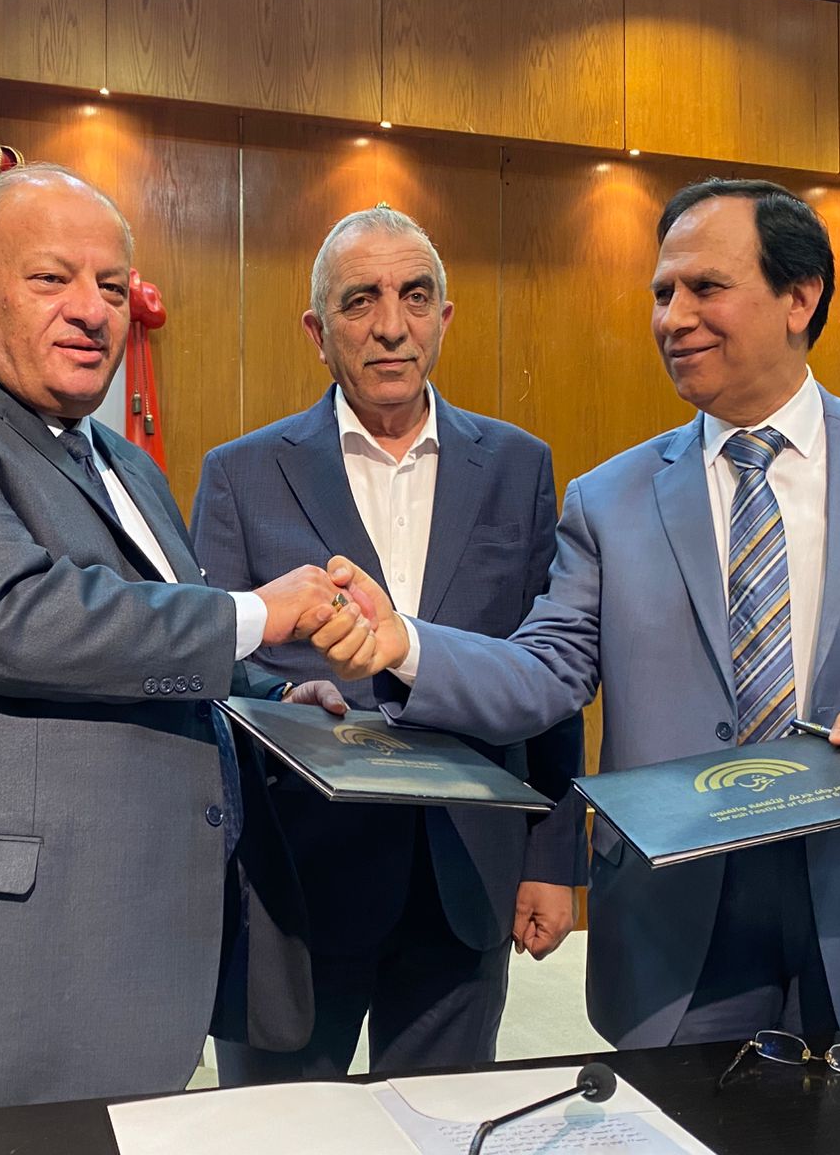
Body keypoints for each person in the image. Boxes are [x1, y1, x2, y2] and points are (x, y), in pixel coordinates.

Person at [311, 178, 840, 1047]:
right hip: (677, 921)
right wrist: (406, 646)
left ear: (799, 299)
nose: (673, 317)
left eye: (705, 287)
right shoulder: (608, 498)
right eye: (663, 293)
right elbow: (545, 670)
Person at [0, 163, 346, 1119]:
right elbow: (19, 618)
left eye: (113, 287)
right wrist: (259, 613)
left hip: (115, 970)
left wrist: (270, 695)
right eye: (52, 278)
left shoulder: (123, 462)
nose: (92, 311)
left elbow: (153, 638)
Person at [192, 206, 584, 1082]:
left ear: (444, 316)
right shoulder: (241, 472)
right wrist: (281, 694)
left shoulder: (518, 465)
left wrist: (552, 859)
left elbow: (548, 674)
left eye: (415, 295)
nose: (391, 325)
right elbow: (209, 659)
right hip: (296, 881)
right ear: (317, 332)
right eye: (360, 300)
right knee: (279, 1132)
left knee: (440, 1124)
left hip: (466, 873)